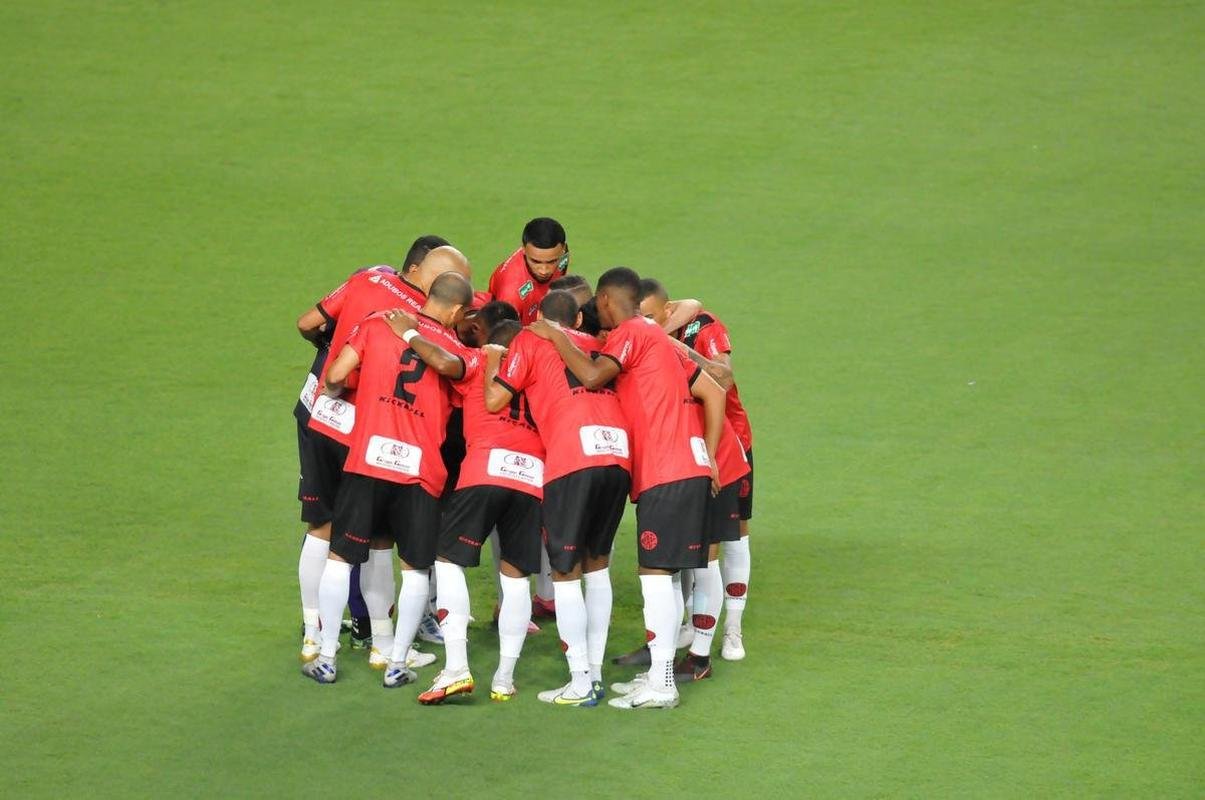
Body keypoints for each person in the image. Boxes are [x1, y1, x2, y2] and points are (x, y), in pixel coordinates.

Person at [528, 267, 727, 710]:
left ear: (604, 300)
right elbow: (714, 390)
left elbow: (592, 375)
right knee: (666, 577)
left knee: (655, 577)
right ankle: (659, 676)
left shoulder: (633, 332)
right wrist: (709, 456)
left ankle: (662, 684)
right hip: (684, 467)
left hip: (666, 470)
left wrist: (555, 335)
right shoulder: (659, 341)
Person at [302, 269, 476, 685]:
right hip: (420, 474)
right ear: (456, 311)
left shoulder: (377, 323)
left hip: (368, 462)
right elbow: (457, 387)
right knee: (415, 570)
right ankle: (396, 662)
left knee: (341, 559)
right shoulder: (457, 349)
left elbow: (334, 376)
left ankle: (326, 656)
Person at [384, 317, 545, 704]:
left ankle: (456, 668)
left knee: (448, 561)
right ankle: (504, 679)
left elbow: (443, 362)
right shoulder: (540, 375)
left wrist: (409, 332)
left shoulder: (479, 361)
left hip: (484, 471)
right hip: (531, 479)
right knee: (516, 579)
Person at [489, 290, 632, 706]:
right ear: (579, 320)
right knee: (597, 567)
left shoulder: (530, 340)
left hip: (573, 459)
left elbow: (495, 399)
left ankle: (580, 681)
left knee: (565, 572)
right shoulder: (599, 344)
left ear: (539, 318)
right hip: (617, 457)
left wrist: (495, 355)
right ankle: (596, 672)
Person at [639, 279, 753, 660]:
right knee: (694, 544)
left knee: (732, 538)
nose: (644, 324)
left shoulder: (703, 328)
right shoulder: (646, 334)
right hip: (687, 451)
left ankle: (732, 628)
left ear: (668, 311)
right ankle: (691, 625)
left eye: (651, 317)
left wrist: (678, 348)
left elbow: (724, 377)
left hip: (730, 443)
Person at [486, 217, 570, 325]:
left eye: (552, 261)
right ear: (524, 249)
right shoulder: (510, 293)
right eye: (536, 261)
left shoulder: (564, 254)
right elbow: (505, 332)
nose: (544, 270)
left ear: (563, 249)